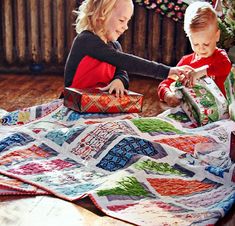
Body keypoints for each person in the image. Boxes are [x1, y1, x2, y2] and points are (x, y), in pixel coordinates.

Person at [64, 0, 192, 98]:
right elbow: (125, 61)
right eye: (121, 20)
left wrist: (119, 80)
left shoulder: (115, 46)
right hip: (75, 101)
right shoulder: (85, 40)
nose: (125, 27)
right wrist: (167, 71)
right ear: (101, 15)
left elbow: (122, 72)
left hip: (101, 101)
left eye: (127, 21)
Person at [157, 1, 232, 107]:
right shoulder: (186, 62)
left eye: (206, 43)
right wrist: (168, 95)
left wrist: (200, 72)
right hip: (192, 113)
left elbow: (225, 67)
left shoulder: (221, 58)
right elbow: (165, 84)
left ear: (217, 36)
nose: (201, 48)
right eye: (196, 44)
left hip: (220, 114)